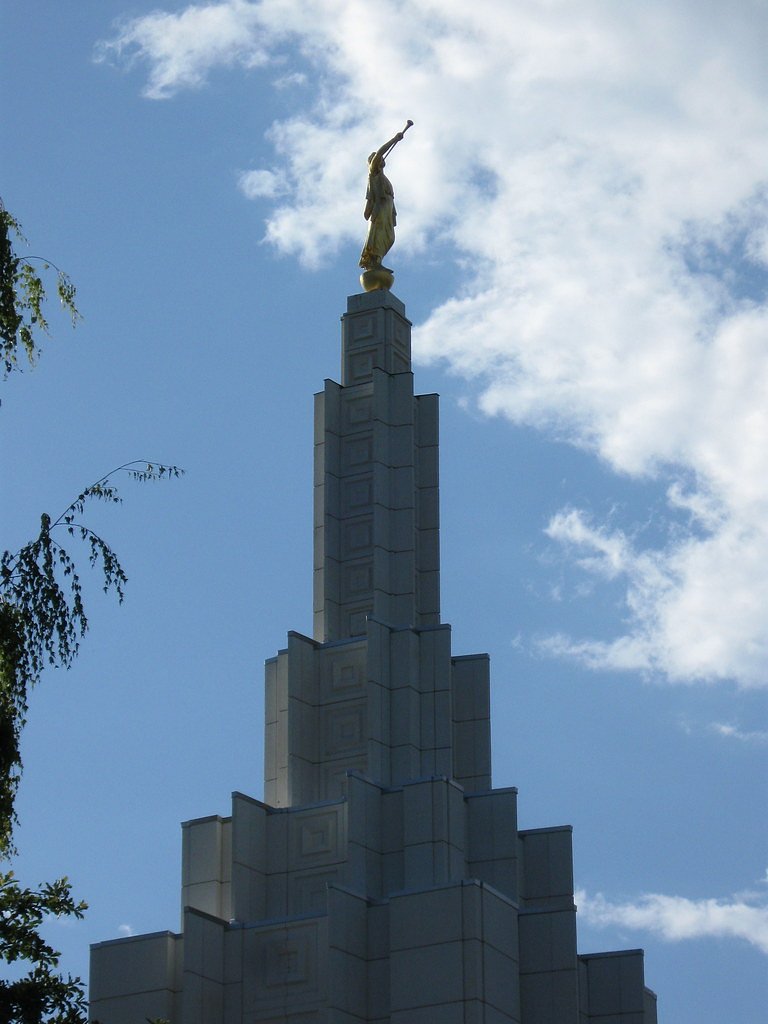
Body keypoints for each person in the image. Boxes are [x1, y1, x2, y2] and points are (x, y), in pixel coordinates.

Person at [359, 130, 406, 272]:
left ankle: (378, 260)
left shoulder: (384, 178)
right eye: (376, 158)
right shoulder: (374, 173)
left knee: (389, 237)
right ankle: (374, 261)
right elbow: (379, 153)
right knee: (379, 235)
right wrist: (394, 140)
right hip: (380, 209)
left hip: (387, 209)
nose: (381, 158)